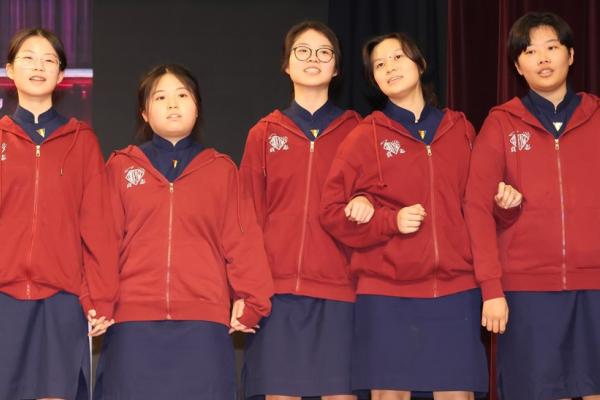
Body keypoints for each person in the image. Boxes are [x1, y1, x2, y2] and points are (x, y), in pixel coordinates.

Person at [320, 32, 489, 400]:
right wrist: (387, 221)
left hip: (456, 288)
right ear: (373, 80)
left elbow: (479, 206)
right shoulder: (365, 136)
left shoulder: (460, 129)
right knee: (389, 394)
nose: (389, 68)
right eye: (379, 65)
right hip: (386, 292)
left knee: (456, 394)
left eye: (397, 57)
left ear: (420, 64)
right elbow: (331, 212)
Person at [94, 63, 273, 399]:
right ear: (144, 113)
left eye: (182, 95)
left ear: (197, 107)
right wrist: (97, 301)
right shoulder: (120, 167)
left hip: (203, 324)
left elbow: (243, 241)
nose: (173, 104)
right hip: (132, 323)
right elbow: (102, 242)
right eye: (160, 97)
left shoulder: (221, 170)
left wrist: (252, 299)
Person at [465, 12, 600, 400]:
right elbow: (476, 207)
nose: (542, 58)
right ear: (517, 66)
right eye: (529, 51)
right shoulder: (501, 124)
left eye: (551, 47)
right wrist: (491, 288)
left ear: (570, 55)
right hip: (526, 291)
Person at [240, 21, 361, 400]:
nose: (313, 59)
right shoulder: (264, 132)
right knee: (280, 392)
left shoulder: (359, 132)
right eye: (302, 51)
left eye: (324, 52)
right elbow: (247, 217)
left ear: (336, 68)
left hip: (341, 290)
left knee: (340, 392)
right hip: (276, 292)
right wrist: (247, 288)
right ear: (286, 64)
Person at [0, 28, 118, 400]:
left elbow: (98, 225)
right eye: (28, 58)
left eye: (48, 60)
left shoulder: (81, 140)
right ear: (10, 70)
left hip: (62, 298)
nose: (38, 66)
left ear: (61, 74)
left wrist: (101, 296)